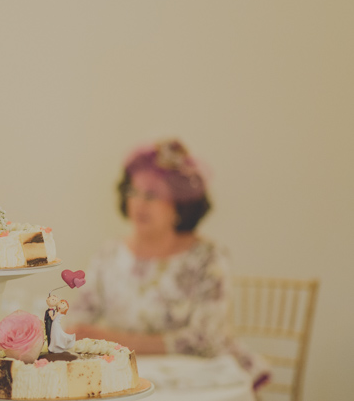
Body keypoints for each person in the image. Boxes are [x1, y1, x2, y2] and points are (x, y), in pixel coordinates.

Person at [67, 138, 269, 388]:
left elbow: (204, 340)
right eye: (133, 192)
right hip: (130, 375)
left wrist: (113, 341)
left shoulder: (207, 257)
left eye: (152, 195)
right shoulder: (109, 254)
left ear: (179, 204)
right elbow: (80, 318)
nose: (139, 203)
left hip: (202, 380)